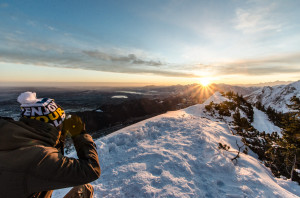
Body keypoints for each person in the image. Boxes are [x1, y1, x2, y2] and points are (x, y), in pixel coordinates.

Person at [0, 92, 101, 198]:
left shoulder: (6, 134)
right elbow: (91, 170)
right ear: (53, 127)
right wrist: (80, 134)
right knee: (84, 190)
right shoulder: (39, 157)